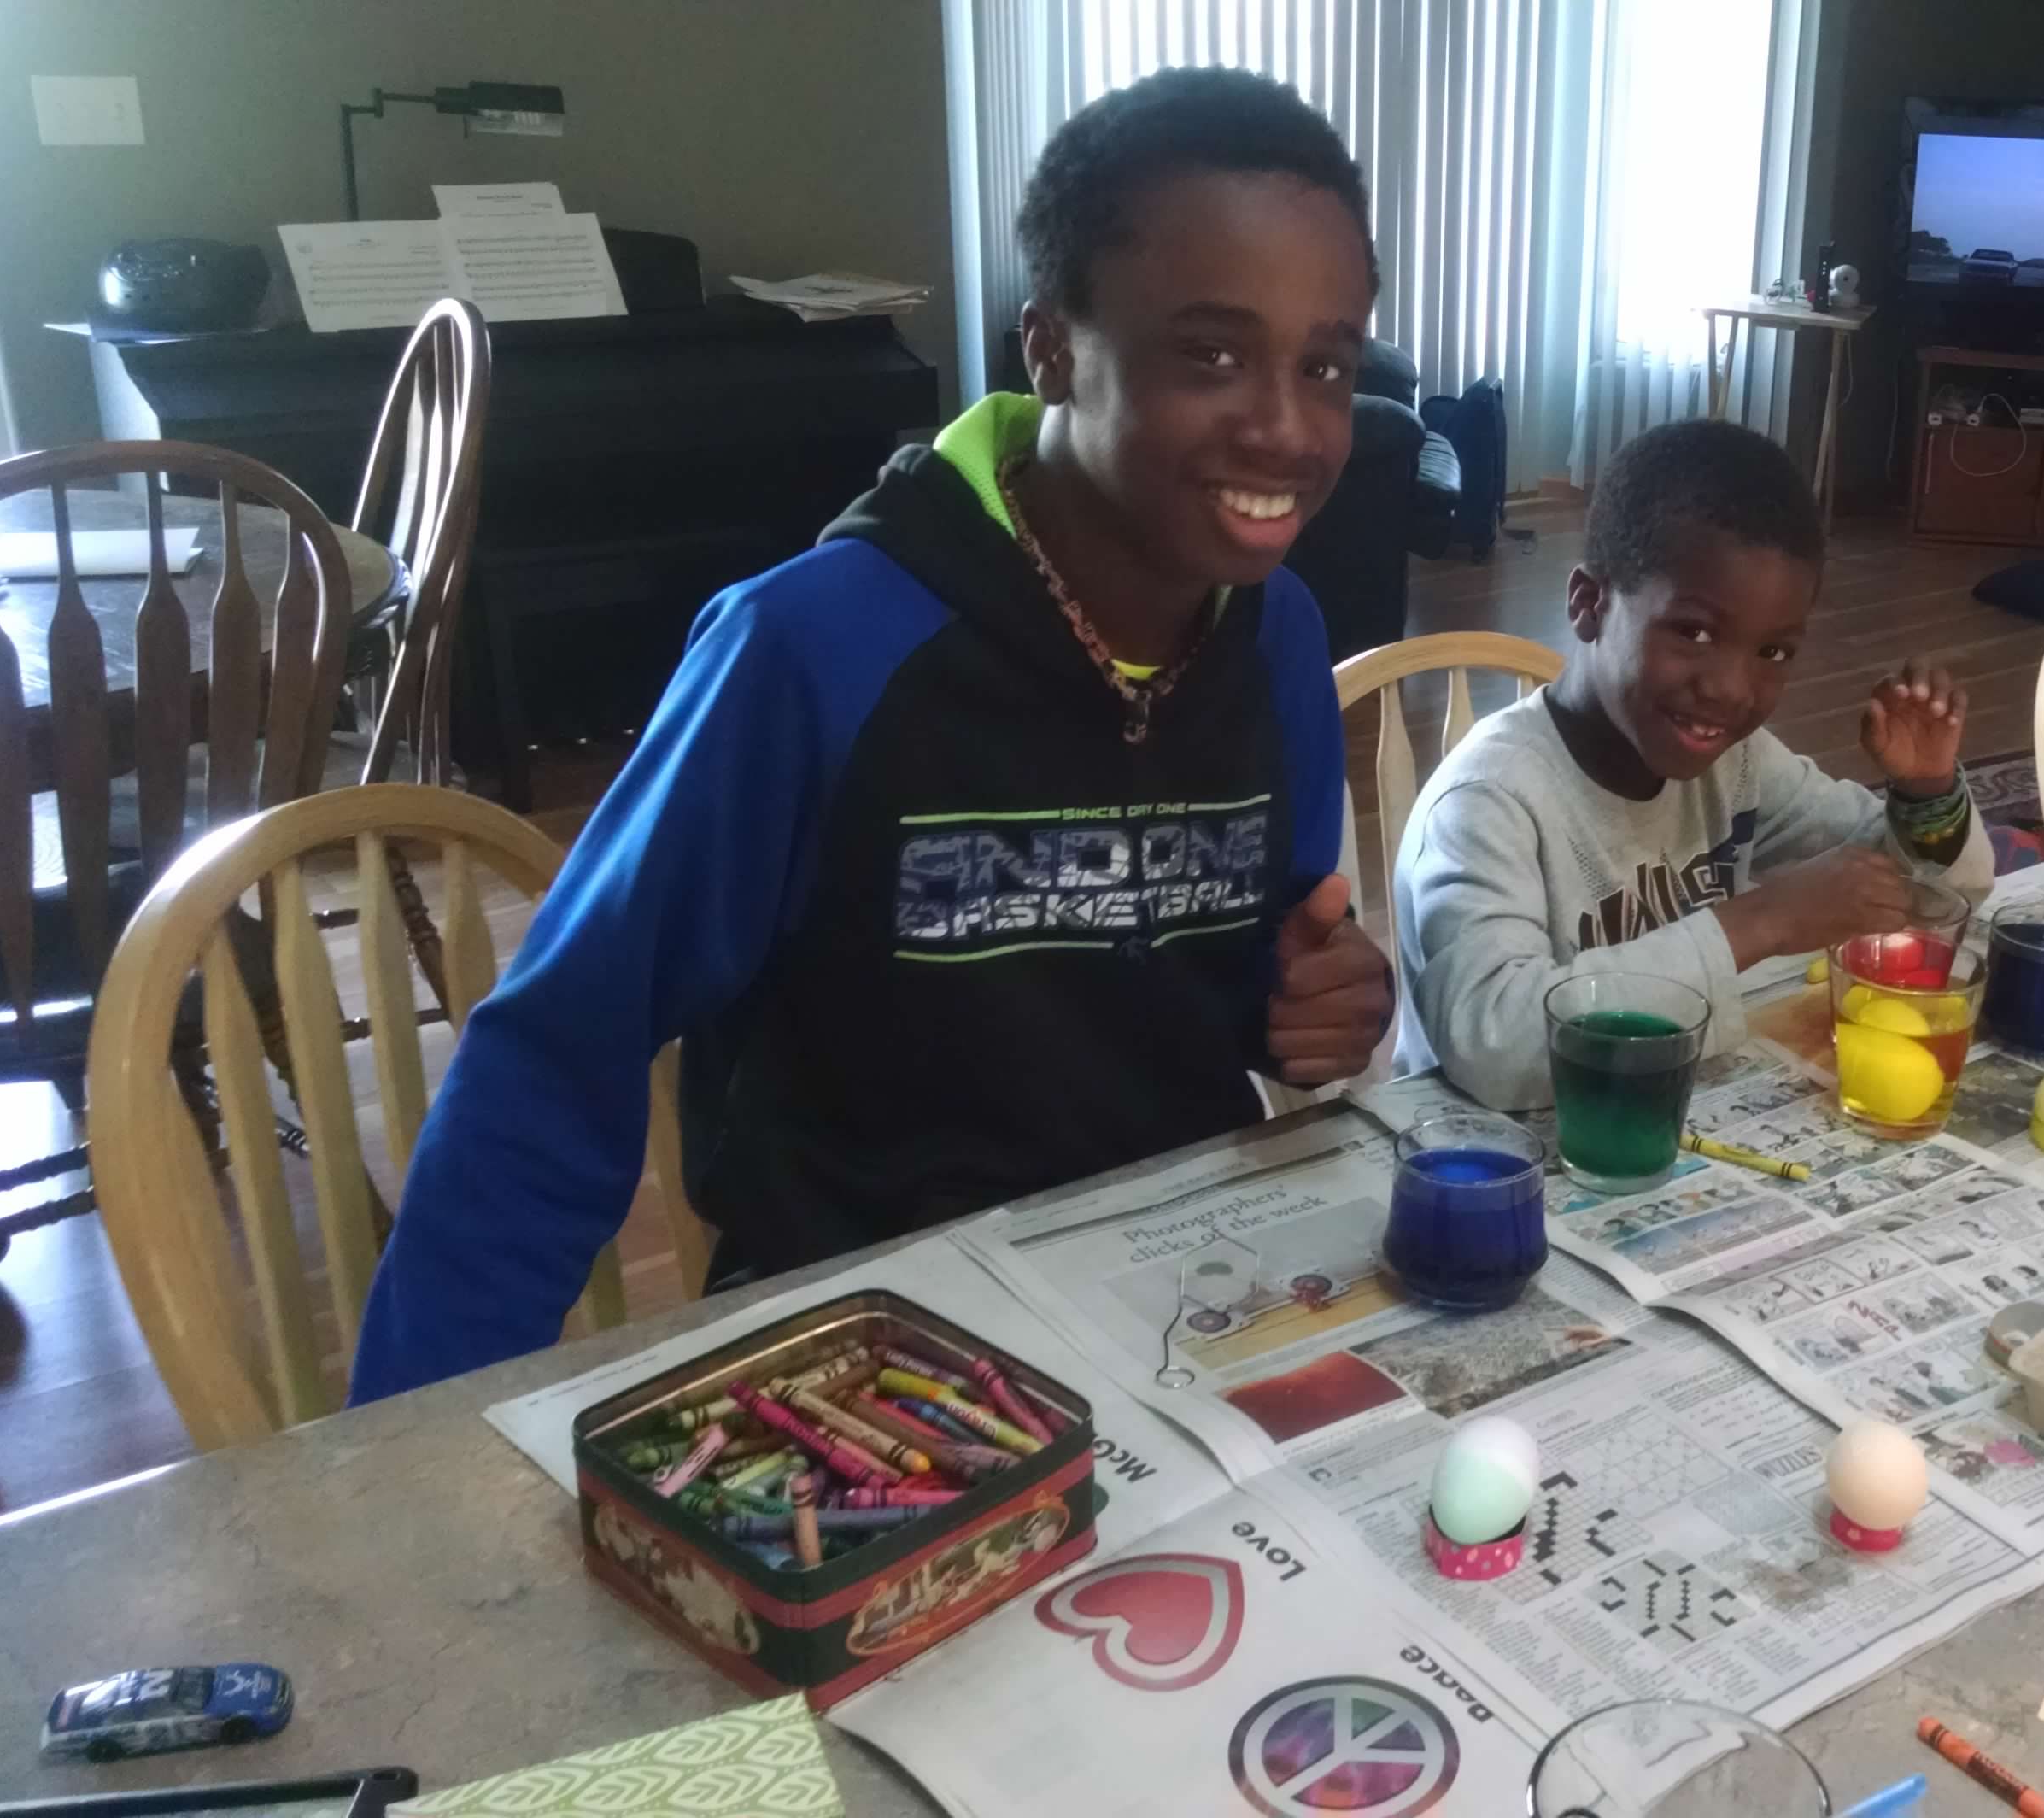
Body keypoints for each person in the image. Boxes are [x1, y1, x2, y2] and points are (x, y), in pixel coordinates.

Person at [347, 69, 1394, 1401]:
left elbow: (1253, 974)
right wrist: (416, 1435)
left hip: (1174, 1305)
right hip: (863, 1350)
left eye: (1326, 365)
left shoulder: (1278, 633)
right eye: (1212, 354)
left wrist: (1325, 1001)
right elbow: (560, 1053)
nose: (1287, 426)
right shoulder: (810, 649)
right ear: (1051, 347)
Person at [1390, 419, 1989, 1111]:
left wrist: (1926, 793)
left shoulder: (1737, 765)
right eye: (1693, 631)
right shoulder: (1488, 801)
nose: (1731, 689)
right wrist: (1761, 922)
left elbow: (1934, 898)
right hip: (1492, 1144)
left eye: (1772, 652)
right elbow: (1494, 1047)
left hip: (1660, 1114)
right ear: (1589, 604)